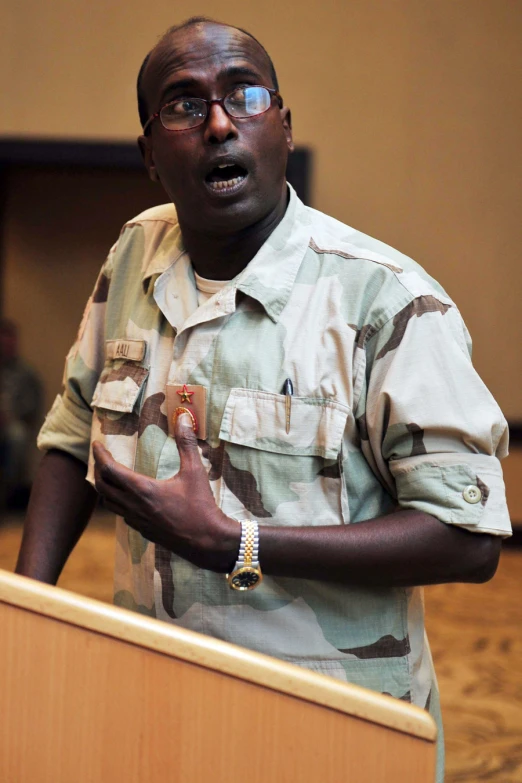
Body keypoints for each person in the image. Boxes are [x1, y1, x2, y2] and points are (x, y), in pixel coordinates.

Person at [16, 17, 510, 781]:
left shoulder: (386, 301)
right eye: (183, 104)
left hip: (327, 722)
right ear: (150, 154)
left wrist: (239, 544)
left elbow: (470, 537)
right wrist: (27, 616)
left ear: (282, 124)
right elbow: (74, 423)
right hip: (151, 694)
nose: (218, 122)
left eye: (244, 94)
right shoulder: (135, 253)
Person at [0, 319, 43, 509]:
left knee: (16, 436)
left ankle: (8, 493)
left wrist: (9, 416)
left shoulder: (26, 373)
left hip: (13, 424)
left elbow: (32, 407)